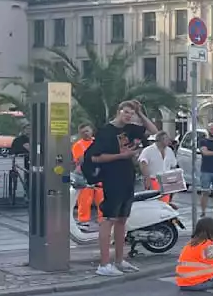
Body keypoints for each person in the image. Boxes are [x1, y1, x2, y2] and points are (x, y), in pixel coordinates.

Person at [91, 101, 158, 277]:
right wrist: (122, 155)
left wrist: (141, 113)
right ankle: (104, 263)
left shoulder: (131, 128)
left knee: (122, 220)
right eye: (126, 112)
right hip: (112, 178)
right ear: (118, 111)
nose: (128, 115)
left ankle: (119, 260)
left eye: (131, 113)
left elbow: (154, 131)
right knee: (109, 219)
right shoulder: (106, 131)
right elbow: (95, 157)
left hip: (127, 177)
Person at [72, 124, 103, 229]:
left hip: (100, 174)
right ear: (80, 133)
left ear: (92, 131)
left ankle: (102, 220)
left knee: (102, 198)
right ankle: (84, 221)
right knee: (85, 199)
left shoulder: (98, 142)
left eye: (87, 131)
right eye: (83, 132)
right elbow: (81, 159)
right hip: (85, 175)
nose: (86, 133)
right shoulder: (77, 145)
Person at [138, 131, 179, 206]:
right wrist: (147, 179)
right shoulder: (148, 150)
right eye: (167, 139)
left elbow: (174, 165)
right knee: (154, 203)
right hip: (153, 179)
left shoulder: (169, 151)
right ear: (161, 140)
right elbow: (143, 163)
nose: (169, 141)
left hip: (166, 180)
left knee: (164, 204)